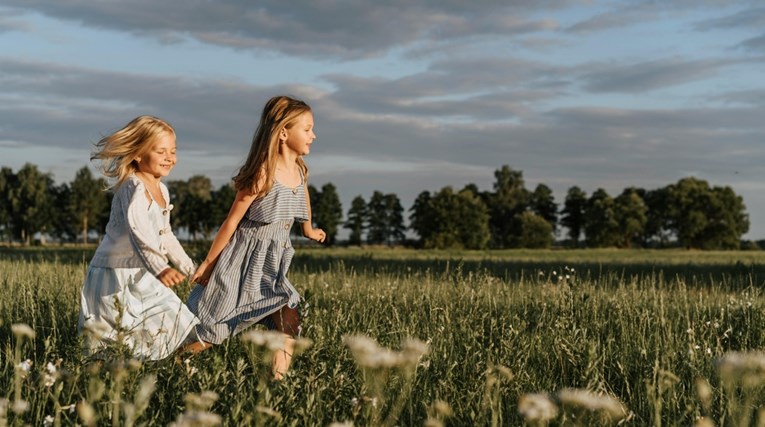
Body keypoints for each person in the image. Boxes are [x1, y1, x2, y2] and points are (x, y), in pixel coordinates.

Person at [186, 95, 326, 379]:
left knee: (288, 321)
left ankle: (277, 386)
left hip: (271, 268)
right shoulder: (263, 174)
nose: (314, 135)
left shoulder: (299, 169)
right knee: (215, 329)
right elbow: (230, 223)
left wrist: (307, 228)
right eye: (307, 128)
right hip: (241, 263)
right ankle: (176, 361)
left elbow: (303, 195)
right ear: (284, 133)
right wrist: (209, 263)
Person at [78, 115, 200, 361]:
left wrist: (191, 269)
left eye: (173, 151)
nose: (170, 157)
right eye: (161, 151)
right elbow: (138, 230)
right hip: (113, 274)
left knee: (178, 321)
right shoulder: (133, 186)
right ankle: (94, 385)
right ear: (138, 154)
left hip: (146, 272)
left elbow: (165, 235)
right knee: (110, 343)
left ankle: (164, 369)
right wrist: (161, 268)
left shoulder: (162, 190)